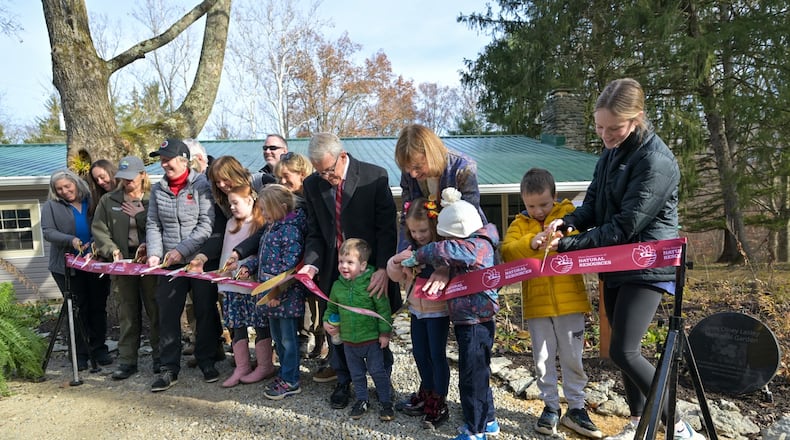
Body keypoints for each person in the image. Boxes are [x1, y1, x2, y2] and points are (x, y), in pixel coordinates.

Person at [547, 78, 703, 440]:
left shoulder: (656, 161)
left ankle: (678, 426)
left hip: (648, 263)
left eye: (613, 128)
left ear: (637, 118)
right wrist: (566, 223)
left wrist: (569, 248)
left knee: (624, 350)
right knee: (622, 351)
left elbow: (625, 225)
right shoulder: (610, 155)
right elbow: (594, 207)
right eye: (599, 127)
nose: (605, 135)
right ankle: (638, 423)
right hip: (617, 264)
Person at [297, 132, 400, 410]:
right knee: (336, 328)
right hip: (335, 271)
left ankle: (382, 381)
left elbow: (387, 229)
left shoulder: (373, 176)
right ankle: (343, 380)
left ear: (342, 156)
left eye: (329, 171)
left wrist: (383, 269)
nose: (325, 178)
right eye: (319, 172)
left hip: (371, 270)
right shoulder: (313, 184)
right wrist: (311, 262)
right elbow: (316, 231)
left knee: (375, 326)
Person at [501, 168, 601, 438]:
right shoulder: (519, 224)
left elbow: (584, 239)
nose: (538, 211)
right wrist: (531, 243)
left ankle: (577, 407)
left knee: (573, 357)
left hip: (571, 302)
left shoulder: (567, 216)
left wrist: (564, 238)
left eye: (544, 204)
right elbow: (507, 251)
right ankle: (550, 407)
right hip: (537, 306)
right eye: (531, 206)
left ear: (555, 197)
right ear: (523, 202)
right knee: (543, 359)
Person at [400, 187, 500, 440]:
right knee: (479, 372)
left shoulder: (474, 247)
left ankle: (475, 430)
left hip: (475, 321)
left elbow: (443, 251)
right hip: (472, 319)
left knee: (471, 377)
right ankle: (488, 420)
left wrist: (416, 257)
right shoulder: (480, 242)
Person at [146, 138, 215, 392]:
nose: (163, 164)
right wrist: (155, 253)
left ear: (183, 160)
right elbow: (153, 223)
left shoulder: (201, 185)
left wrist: (181, 251)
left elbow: (206, 225)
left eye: (168, 158)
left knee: (205, 311)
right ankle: (168, 368)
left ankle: (207, 360)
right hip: (169, 264)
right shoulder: (157, 189)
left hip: (197, 261)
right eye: (161, 159)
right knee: (168, 314)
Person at [91, 156, 160, 380]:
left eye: (131, 178)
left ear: (142, 176)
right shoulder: (109, 200)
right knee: (127, 313)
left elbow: (160, 226)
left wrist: (139, 215)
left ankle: (161, 357)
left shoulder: (154, 197)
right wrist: (111, 250)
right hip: (122, 264)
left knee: (155, 309)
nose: (127, 182)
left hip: (150, 264)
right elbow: (99, 229)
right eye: (123, 179)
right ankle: (127, 360)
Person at [386, 197, 451, 429]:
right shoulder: (411, 249)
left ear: (433, 226)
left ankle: (439, 400)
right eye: (413, 231)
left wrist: (440, 268)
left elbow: (452, 271)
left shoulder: (443, 251)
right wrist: (396, 261)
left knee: (436, 355)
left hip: (437, 311)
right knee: (420, 354)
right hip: (416, 310)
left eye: (423, 230)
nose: (419, 235)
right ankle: (426, 390)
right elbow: (395, 276)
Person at [239, 184, 308, 399]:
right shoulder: (272, 227)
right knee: (278, 339)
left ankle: (291, 380)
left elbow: (290, 268)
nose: (264, 214)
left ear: (282, 207)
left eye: (266, 209)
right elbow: (263, 257)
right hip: (271, 297)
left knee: (288, 340)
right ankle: (285, 373)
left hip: (282, 298)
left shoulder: (290, 230)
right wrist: (248, 267)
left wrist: (275, 293)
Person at [42, 169, 111, 370]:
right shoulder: (51, 206)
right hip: (66, 267)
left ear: (76, 183)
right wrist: (70, 240)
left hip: (95, 262)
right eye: (59, 189)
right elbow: (48, 232)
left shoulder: (92, 200)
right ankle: (80, 353)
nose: (64, 191)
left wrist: (94, 243)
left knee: (97, 307)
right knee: (77, 309)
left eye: (67, 186)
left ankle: (99, 349)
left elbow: (103, 226)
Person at [202, 183, 266, 388]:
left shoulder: (260, 224)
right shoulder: (230, 223)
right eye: (230, 204)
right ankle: (242, 366)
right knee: (236, 326)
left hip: (252, 287)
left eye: (235, 203)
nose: (231, 207)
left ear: (250, 201)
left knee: (261, 325)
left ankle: (265, 364)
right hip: (231, 287)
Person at [324, 238, 394, 421]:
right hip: (349, 341)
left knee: (378, 371)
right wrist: (326, 321)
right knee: (356, 374)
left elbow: (383, 310)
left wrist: (385, 333)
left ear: (362, 265)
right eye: (341, 261)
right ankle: (362, 400)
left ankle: (386, 402)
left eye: (349, 262)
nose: (343, 266)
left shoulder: (372, 283)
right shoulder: (337, 286)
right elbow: (331, 308)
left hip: (371, 340)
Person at [394, 123, 486, 251]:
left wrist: (445, 261)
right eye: (408, 169)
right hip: (424, 250)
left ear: (432, 155)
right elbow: (407, 217)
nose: (413, 174)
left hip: (464, 248)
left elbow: (467, 222)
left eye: (417, 167)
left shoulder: (463, 168)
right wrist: (403, 255)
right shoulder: (409, 174)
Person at [274, 152, 322, 359]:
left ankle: (322, 344)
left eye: (286, 176)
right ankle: (304, 340)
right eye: (279, 178)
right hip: (295, 262)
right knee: (301, 304)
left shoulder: (315, 194)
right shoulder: (288, 200)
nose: (282, 182)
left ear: (302, 174)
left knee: (318, 306)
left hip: (315, 258)